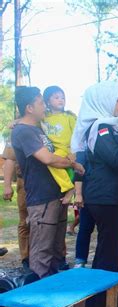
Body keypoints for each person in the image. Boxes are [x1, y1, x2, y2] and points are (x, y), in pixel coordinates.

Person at [71, 81, 118, 307]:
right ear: (104, 101)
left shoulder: (106, 127)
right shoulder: (101, 127)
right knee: (109, 256)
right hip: (105, 200)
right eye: (117, 100)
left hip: (108, 199)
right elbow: (116, 159)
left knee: (106, 253)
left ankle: (100, 304)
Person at [11, 86, 83, 278]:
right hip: (41, 198)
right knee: (42, 250)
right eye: (41, 102)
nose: (44, 106)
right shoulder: (23, 132)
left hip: (55, 194)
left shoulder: (37, 128)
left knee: (54, 249)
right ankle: (36, 300)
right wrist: (73, 164)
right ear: (29, 108)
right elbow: (48, 158)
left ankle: (51, 296)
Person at [2, 136, 29, 268]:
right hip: (24, 180)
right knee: (25, 221)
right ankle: (26, 258)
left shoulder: (47, 124)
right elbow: (9, 160)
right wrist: (7, 186)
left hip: (49, 180)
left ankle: (57, 256)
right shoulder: (16, 132)